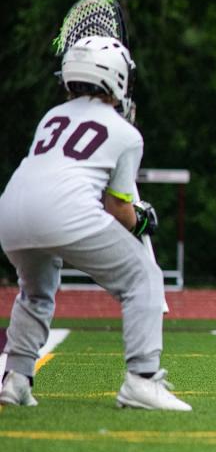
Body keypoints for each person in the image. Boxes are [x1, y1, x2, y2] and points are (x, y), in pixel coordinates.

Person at [0, 36, 191, 411]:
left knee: (36, 293)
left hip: (11, 211)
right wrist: (142, 220)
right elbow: (118, 210)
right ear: (118, 77)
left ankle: (16, 379)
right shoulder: (125, 133)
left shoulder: (51, 117)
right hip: (64, 212)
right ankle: (143, 379)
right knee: (143, 277)